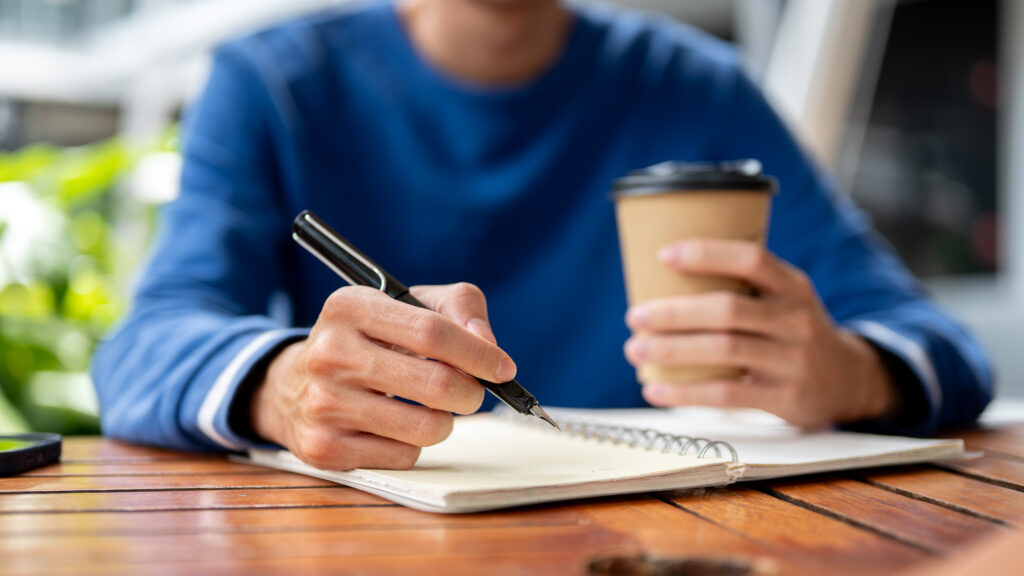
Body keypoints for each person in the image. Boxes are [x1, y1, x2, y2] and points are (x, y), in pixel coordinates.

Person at [91, 0, 993, 470]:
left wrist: (850, 370)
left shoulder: (701, 88)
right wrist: (284, 386)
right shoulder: (274, 85)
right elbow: (143, 348)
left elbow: (940, 346)